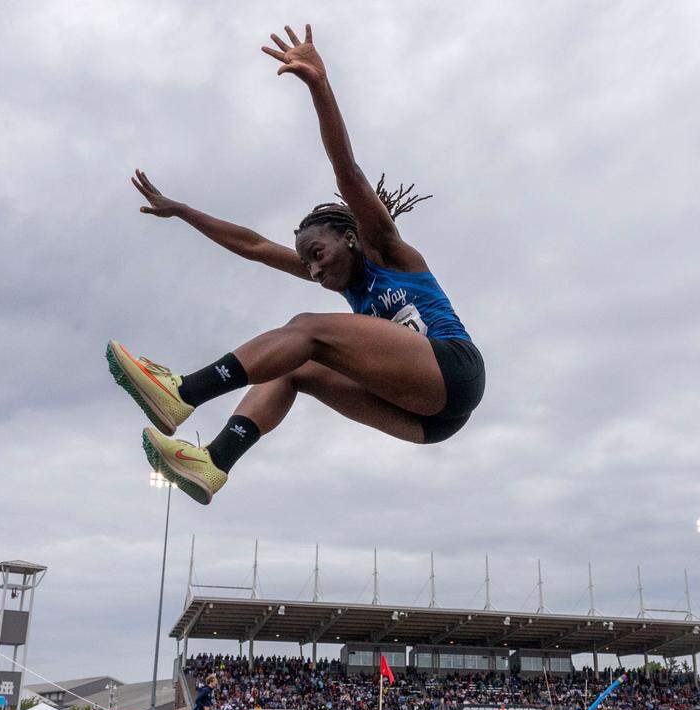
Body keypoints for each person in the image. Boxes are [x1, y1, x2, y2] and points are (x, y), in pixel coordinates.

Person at [109, 23, 485, 505]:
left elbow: (346, 171)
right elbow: (254, 246)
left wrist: (319, 84)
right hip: (428, 421)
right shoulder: (343, 286)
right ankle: (213, 462)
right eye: (307, 264)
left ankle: (183, 392)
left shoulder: (389, 251)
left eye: (318, 255)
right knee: (292, 366)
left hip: (454, 372)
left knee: (304, 328)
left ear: (352, 239)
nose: (313, 271)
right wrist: (183, 211)